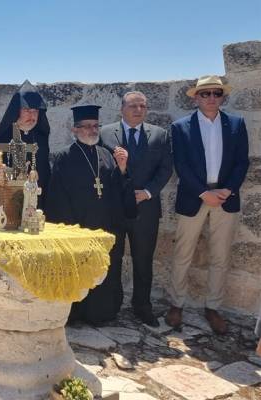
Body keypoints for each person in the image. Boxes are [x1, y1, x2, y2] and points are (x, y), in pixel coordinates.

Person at [166, 76, 249, 334]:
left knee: (220, 255)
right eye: (205, 93)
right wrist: (203, 193)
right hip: (194, 196)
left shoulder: (236, 124)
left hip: (225, 197)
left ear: (222, 97)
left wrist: (228, 189)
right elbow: (181, 165)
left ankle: (213, 307)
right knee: (183, 253)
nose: (211, 97)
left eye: (217, 93)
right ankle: (176, 304)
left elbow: (241, 162)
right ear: (196, 97)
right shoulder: (181, 127)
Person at [46, 105, 137, 326]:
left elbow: (117, 189)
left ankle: (102, 312)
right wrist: (70, 229)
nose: (92, 130)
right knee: (76, 271)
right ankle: (75, 313)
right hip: (77, 227)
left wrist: (122, 169)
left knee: (104, 272)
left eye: (95, 126)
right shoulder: (63, 157)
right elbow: (57, 197)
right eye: (86, 126)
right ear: (75, 129)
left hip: (105, 226)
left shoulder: (106, 155)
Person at [99, 91, 172, 327]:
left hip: (146, 208)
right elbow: (100, 166)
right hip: (115, 208)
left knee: (143, 260)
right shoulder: (105, 133)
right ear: (122, 109)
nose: (138, 110)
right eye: (133, 106)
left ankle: (142, 306)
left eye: (143, 106)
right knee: (113, 258)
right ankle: (111, 305)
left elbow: (166, 169)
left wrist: (148, 192)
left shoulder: (159, 135)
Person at [0, 80, 51, 209]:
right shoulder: (3, 138)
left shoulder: (41, 138)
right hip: (7, 200)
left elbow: (45, 174)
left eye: (35, 111)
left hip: (35, 201)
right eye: (27, 110)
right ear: (16, 111)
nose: (32, 115)